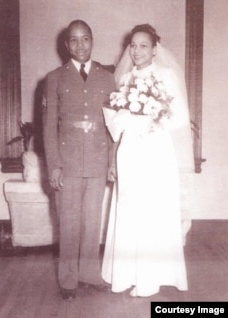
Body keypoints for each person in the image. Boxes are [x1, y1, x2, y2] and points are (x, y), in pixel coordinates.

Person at [102, 24, 194, 297]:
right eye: (133, 45)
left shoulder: (166, 75)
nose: (137, 50)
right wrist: (125, 120)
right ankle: (126, 275)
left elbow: (178, 117)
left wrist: (149, 115)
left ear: (155, 49)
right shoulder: (125, 79)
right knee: (129, 207)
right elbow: (116, 119)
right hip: (129, 150)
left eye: (143, 45)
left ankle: (150, 278)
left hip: (155, 150)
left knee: (152, 208)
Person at [42, 20, 116, 301]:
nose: (80, 45)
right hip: (68, 163)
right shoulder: (54, 78)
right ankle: (69, 280)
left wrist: (112, 161)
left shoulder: (107, 77)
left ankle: (89, 275)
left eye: (85, 39)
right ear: (66, 45)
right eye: (73, 40)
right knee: (69, 223)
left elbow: (113, 125)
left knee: (92, 222)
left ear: (92, 41)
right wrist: (54, 166)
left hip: (97, 160)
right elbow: (49, 127)